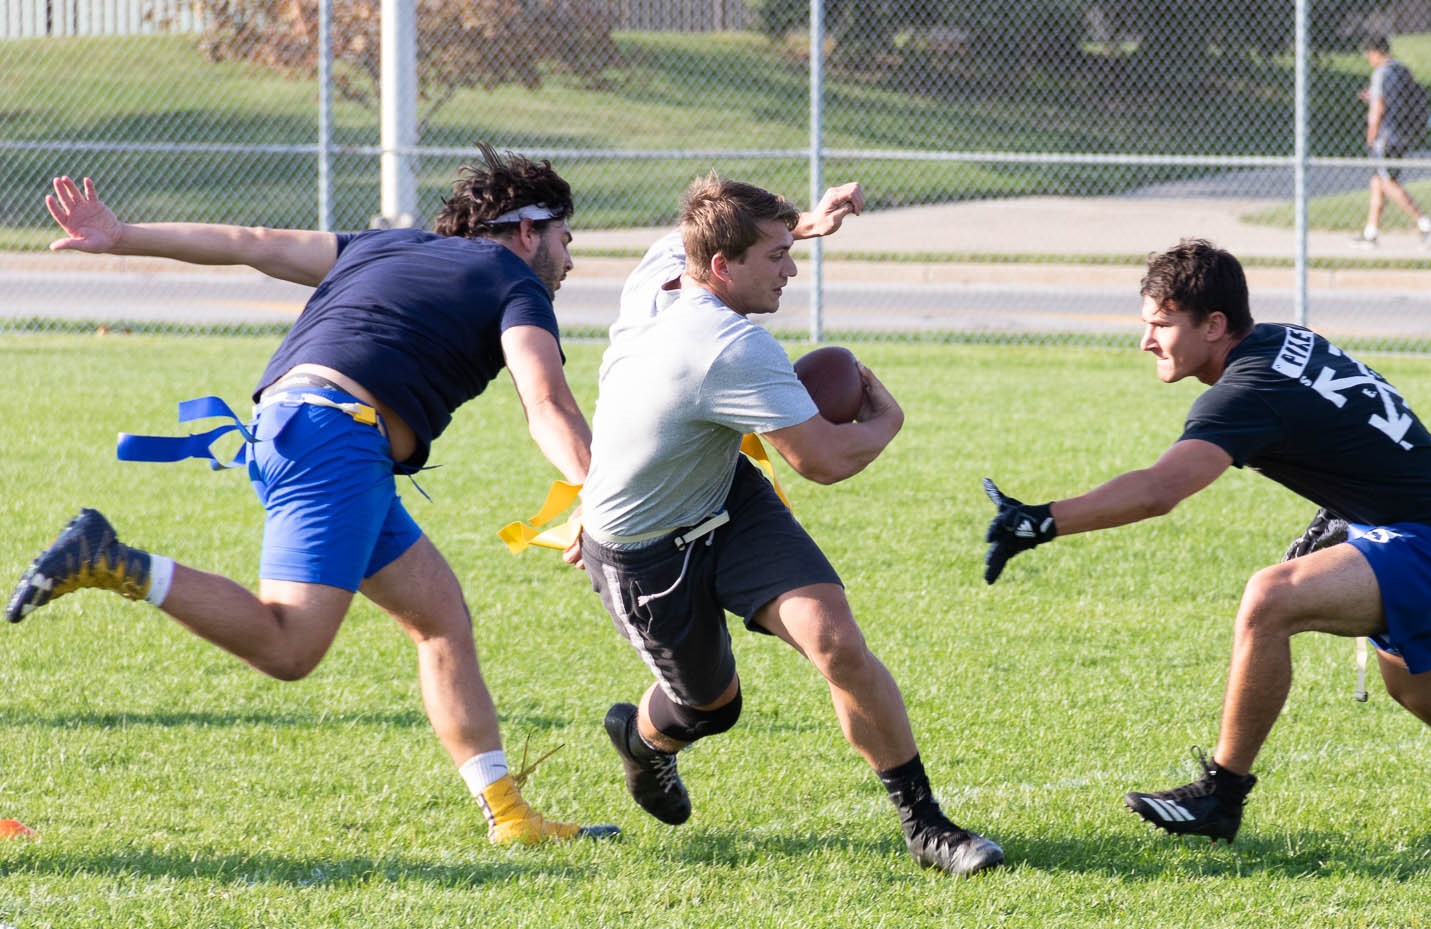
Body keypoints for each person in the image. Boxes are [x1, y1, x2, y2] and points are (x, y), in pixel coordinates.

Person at [6, 146, 618, 846]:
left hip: (301, 432)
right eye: (567, 240)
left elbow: (251, 243)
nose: (568, 262)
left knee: (439, 616)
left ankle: (510, 818)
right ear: (529, 229)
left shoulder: (387, 245)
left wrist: (123, 237)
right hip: (336, 441)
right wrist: (601, 496)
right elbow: (546, 404)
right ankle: (113, 560)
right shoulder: (514, 278)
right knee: (289, 646)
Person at [979, 238, 1431, 843]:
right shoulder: (1277, 339)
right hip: (1430, 523)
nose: (1146, 340)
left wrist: (1040, 520)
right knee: (1426, 695)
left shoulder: (1247, 390)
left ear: (1215, 324)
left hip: (1430, 541)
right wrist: (1348, 508)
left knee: (1268, 600)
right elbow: (1354, 428)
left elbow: (1160, 490)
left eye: (1162, 324)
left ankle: (1220, 796)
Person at [570, 172, 1003, 875]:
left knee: (836, 640)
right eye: (776, 257)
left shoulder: (665, 267)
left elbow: (706, 237)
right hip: (642, 553)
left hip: (722, 496)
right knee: (710, 706)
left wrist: (805, 218)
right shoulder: (727, 346)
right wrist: (889, 422)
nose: (792, 269)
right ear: (721, 267)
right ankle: (642, 743)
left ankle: (926, 826)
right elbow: (824, 461)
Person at [1354, 34, 1431, 249]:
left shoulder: (1381, 73)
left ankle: (1425, 224)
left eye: (1369, 55)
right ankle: (1371, 233)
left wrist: (1371, 135)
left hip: (1386, 136)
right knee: (1377, 182)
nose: (1369, 60)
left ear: (1375, 53)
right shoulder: (1401, 70)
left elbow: (1378, 107)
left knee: (1387, 182)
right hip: (1403, 133)